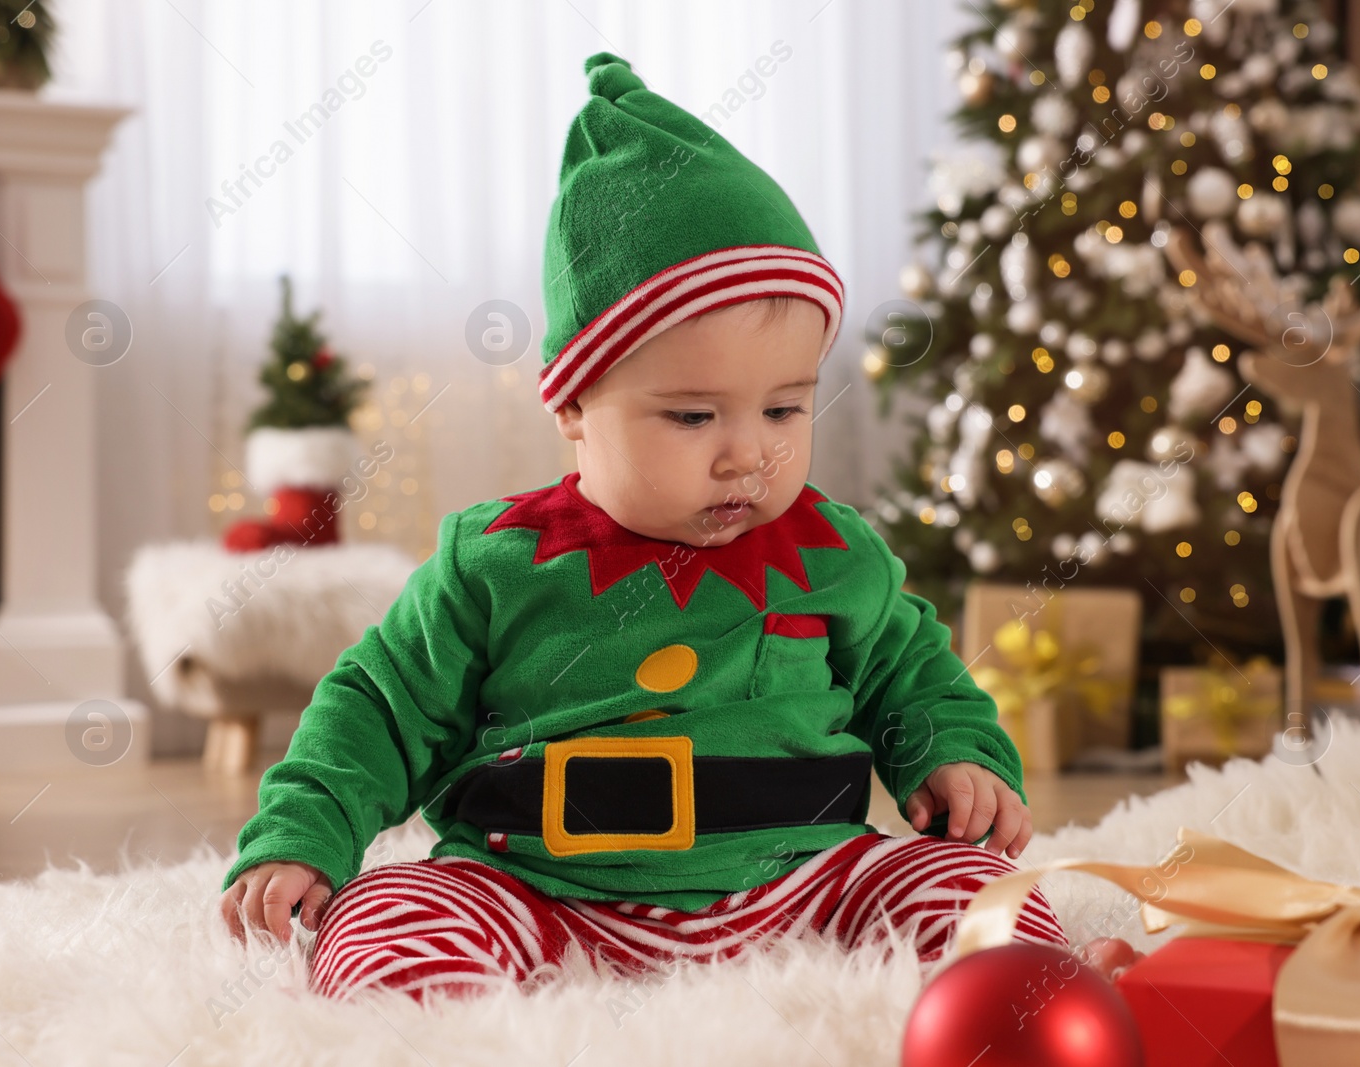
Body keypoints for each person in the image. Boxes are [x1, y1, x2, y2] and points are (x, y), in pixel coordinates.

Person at [219, 51, 1072, 1002]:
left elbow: (916, 676)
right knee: (386, 922)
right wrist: (303, 836)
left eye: (786, 410)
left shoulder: (836, 554)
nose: (748, 454)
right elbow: (375, 707)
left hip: (805, 881)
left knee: (981, 900)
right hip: (537, 887)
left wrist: (958, 757)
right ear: (576, 407)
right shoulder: (497, 562)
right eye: (694, 417)